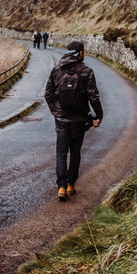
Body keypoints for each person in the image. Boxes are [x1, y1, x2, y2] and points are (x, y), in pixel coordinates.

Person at [44, 41, 103, 201]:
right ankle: (71, 185)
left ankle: (61, 187)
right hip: (79, 119)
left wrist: (55, 112)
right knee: (75, 152)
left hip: (61, 119)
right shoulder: (87, 71)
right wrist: (98, 116)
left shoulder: (57, 70)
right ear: (81, 53)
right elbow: (94, 97)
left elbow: (48, 94)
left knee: (61, 153)